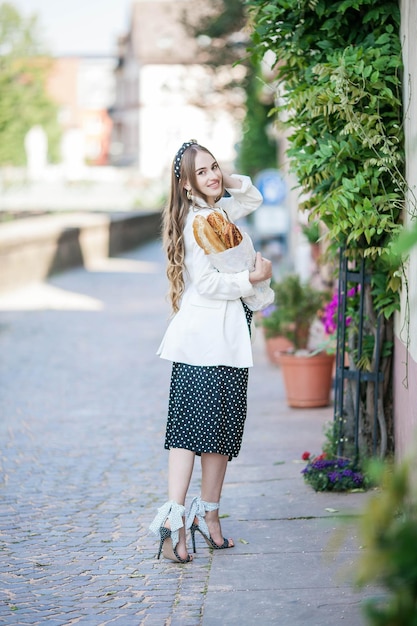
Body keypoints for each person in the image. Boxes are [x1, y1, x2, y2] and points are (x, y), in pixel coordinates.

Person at [149, 140, 272, 563]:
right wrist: (252, 279)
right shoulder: (199, 223)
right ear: (185, 184)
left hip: (229, 335)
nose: (213, 175)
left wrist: (223, 178)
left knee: (221, 432)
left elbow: (252, 196)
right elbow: (208, 285)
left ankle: (209, 518)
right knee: (188, 433)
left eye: (214, 167)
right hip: (204, 338)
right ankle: (176, 523)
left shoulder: (218, 213)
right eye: (202, 172)